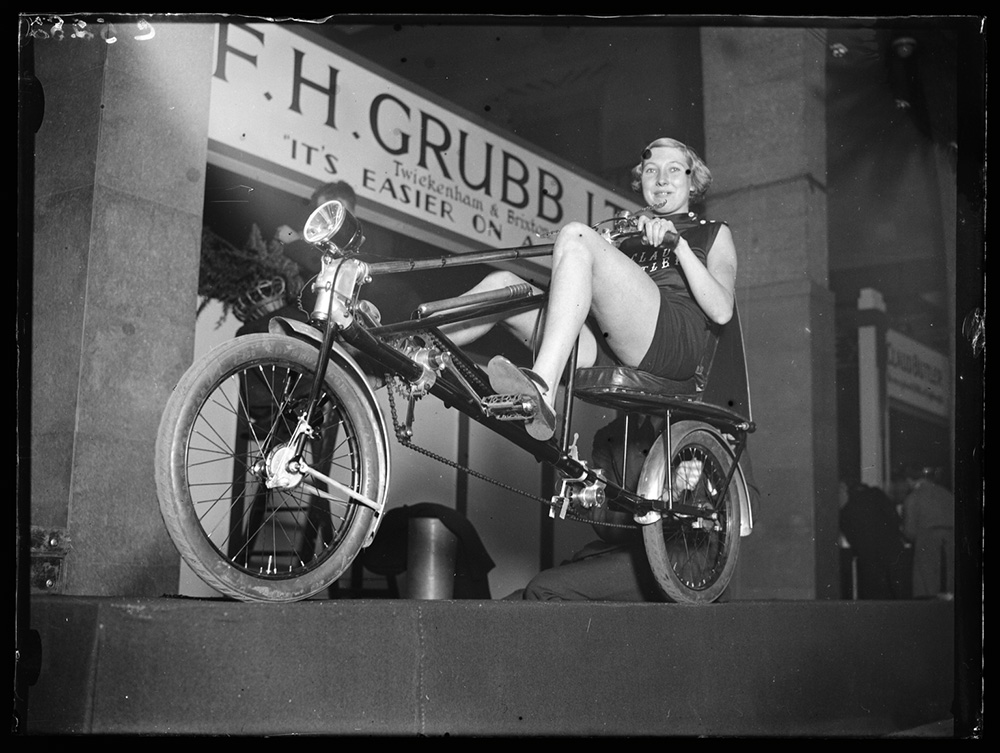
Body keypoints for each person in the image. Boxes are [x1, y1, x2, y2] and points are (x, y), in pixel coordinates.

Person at [442, 137, 737, 442]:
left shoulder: (712, 232)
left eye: (674, 169)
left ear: (693, 182)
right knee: (503, 284)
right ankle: (418, 349)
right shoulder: (628, 238)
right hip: (608, 347)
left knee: (575, 233)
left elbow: (722, 310)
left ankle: (542, 387)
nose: (661, 179)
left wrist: (680, 245)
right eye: (651, 171)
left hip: (672, 343)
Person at [519, 413, 760, 601]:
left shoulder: (713, 431)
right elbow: (605, 524)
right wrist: (668, 492)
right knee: (519, 599)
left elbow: (751, 510)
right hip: (624, 556)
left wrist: (716, 477)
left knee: (542, 591)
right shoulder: (611, 436)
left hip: (688, 569)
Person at [838, 481, 907, 599]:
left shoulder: (848, 510)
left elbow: (852, 537)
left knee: (875, 595)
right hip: (891, 550)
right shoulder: (877, 495)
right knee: (898, 594)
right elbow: (895, 519)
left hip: (869, 557)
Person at [901, 464, 955, 599]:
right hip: (952, 540)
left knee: (927, 587)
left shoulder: (913, 497)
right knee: (950, 582)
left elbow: (910, 532)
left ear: (909, 480)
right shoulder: (947, 493)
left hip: (928, 541)